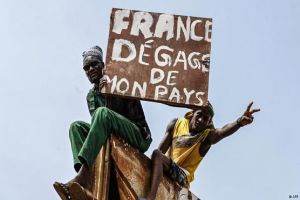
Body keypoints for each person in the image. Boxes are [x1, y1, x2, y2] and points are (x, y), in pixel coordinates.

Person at [54, 46, 152, 200]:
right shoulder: (91, 96)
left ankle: (83, 176)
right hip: (111, 133)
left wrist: (110, 93)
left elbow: (118, 116)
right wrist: (103, 96)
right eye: (86, 68)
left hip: (138, 135)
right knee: (76, 127)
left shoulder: (120, 81)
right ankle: (85, 179)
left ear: (103, 65)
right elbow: (99, 127)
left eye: (94, 64)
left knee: (102, 113)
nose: (90, 69)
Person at [140, 101, 260, 200]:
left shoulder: (206, 137)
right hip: (166, 166)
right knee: (157, 154)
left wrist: (239, 122)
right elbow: (159, 151)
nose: (201, 120)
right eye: (199, 115)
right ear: (192, 114)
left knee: (158, 156)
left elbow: (222, 131)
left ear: (208, 123)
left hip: (182, 177)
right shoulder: (176, 124)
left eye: (205, 119)